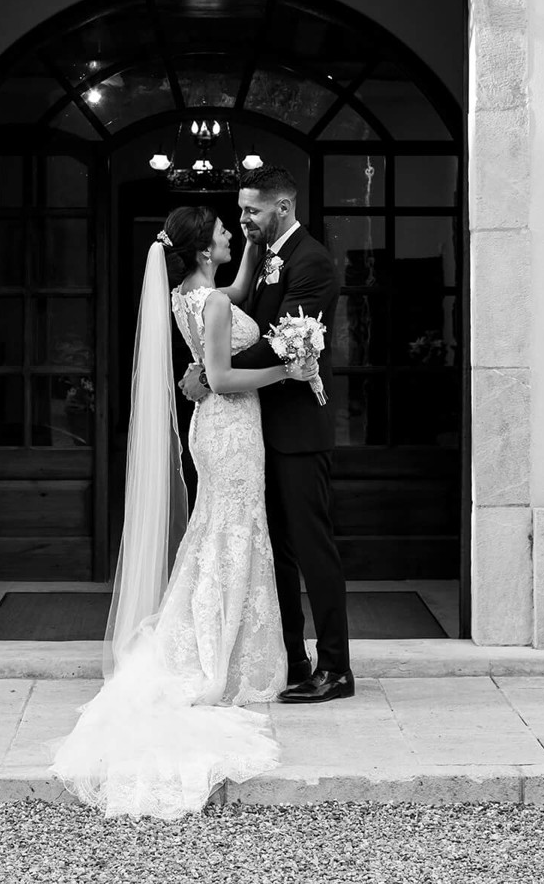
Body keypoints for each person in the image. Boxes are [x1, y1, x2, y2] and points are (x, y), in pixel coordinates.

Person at [49, 205, 317, 820]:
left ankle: (215, 642)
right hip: (231, 427)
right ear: (204, 251)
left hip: (210, 429)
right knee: (232, 531)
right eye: (224, 230)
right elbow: (221, 375)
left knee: (218, 531)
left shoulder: (185, 297)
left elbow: (234, 298)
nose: (230, 233)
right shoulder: (214, 304)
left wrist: (251, 245)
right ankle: (221, 656)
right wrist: (290, 370)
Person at [183, 165, 353, 704]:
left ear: (282, 207)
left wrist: (212, 373)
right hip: (254, 432)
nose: (242, 219)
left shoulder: (312, 263)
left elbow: (282, 343)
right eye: (240, 211)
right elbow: (236, 316)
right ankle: (293, 659)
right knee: (273, 551)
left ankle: (336, 668)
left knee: (311, 547)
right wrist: (211, 366)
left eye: (251, 211)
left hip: (297, 430)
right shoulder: (260, 260)